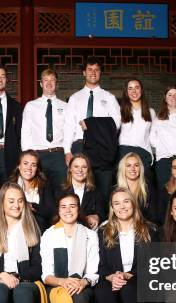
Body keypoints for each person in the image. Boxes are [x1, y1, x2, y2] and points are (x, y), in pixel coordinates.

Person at [63, 57, 121, 200]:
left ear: (100, 73)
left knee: (103, 187)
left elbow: (116, 123)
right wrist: (67, 150)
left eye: (96, 70)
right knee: (80, 187)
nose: (93, 73)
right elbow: (69, 125)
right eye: (89, 69)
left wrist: (92, 124)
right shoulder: (75, 98)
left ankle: (102, 220)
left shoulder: (109, 97)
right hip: (80, 146)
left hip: (102, 147)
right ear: (84, 73)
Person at [21, 68, 67, 193]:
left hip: (59, 155)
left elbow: (69, 132)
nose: (49, 83)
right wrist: (27, 157)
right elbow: (25, 132)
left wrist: (68, 152)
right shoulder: (31, 106)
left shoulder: (65, 106)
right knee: (39, 191)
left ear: (57, 84)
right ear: (41, 84)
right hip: (38, 155)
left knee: (61, 190)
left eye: (52, 80)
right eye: (45, 80)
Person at [118, 78, 155, 180]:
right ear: (126, 92)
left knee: (145, 189)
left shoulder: (151, 112)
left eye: (136, 87)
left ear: (141, 90)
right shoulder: (119, 111)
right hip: (123, 153)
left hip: (144, 154)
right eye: (130, 88)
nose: (134, 91)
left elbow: (153, 137)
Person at [10, 150, 55, 232]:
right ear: (19, 166)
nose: (29, 168)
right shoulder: (10, 185)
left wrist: (32, 206)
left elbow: (51, 211)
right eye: (25, 163)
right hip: (14, 224)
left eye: (33, 165)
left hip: (38, 227)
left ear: (37, 168)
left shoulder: (44, 185)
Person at [61, 153, 106, 230]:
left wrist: (97, 217)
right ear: (70, 169)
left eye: (84, 167)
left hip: (88, 231)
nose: (80, 170)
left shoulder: (96, 192)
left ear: (88, 170)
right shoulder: (60, 191)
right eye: (76, 166)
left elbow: (102, 213)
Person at [115, 152, 157, 223]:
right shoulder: (115, 191)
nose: (133, 169)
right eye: (128, 165)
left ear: (140, 168)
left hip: (144, 228)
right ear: (123, 168)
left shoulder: (149, 189)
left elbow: (154, 218)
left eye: (136, 165)